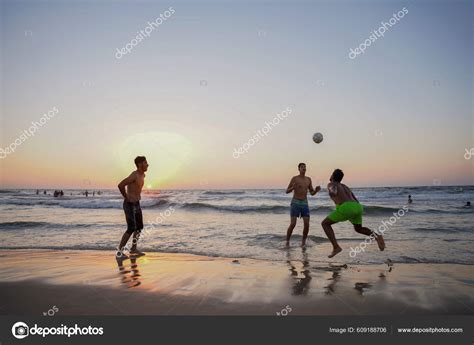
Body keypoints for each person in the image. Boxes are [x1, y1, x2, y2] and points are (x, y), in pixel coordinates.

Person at [321, 169, 385, 258]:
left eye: (331, 174)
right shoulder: (345, 186)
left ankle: (336, 247)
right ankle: (377, 235)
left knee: (325, 224)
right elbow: (355, 199)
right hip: (358, 207)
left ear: (333, 176)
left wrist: (332, 193)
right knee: (358, 228)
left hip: (346, 207)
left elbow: (333, 191)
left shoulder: (331, 184)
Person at [116, 156, 149, 259]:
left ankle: (133, 249)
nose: (147, 165)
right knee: (131, 228)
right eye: (145, 163)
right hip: (129, 204)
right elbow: (121, 185)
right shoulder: (134, 175)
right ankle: (119, 253)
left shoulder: (143, 175)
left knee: (139, 227)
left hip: (137, 203)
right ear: (140, 164)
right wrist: (126, 197)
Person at [285, 163, 321, 247]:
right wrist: (293, 188)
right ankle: (287, 241)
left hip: (304, 203)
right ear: (299, 169)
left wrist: (316, 190)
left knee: (307, 224)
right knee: (293, 224)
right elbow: (287, 191)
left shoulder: (308, 179)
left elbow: (312, 193)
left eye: (305, 167)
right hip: (295, 203)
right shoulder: (294, 178)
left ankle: (303, 243)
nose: (304, 168)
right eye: (302, 167)